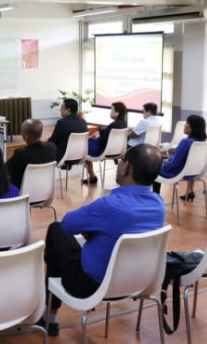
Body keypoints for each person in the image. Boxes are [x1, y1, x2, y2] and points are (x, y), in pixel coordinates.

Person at [41, 144, 165, 337]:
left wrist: (90, 230)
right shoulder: (159, 204)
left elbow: (68, 224)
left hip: (91, 285)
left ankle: (50, 315)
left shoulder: (110, 205)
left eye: (121, 161)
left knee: (56, 229)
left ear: (126, 168)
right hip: (137, 281)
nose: (119, 164)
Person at [152, 115, 207, 198]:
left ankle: (155, 197)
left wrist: (163, 165)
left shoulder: (186, 142)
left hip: (177, 172)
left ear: (192, 127)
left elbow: (175, 164)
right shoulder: (203, 142)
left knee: (153, 169)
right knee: (161, 161)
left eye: (186, 123)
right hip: (193, 172)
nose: (184, 125)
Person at [83, 101, 128, 184]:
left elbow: (104, 139)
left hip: (102, 150)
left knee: (82, 146)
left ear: (117, 112)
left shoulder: (113, 125)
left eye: (111, 110)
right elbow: (108, 132)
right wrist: (100, 133)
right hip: (116, 151)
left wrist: (96, 137)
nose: (110, 112)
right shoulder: (123, 124)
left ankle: (92, 176)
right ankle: (92, 177)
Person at [6, 119, 57, 188]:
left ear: (25, 136)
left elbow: (6, 169)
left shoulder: (20, 153)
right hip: (46, 189)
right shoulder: (52, 148)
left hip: (23, 190)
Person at [48, 98, 88, 162]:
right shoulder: (83, 122)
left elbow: (52, 141)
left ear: (68, 110)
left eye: (62, 107)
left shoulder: (62, 122)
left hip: (63, 157)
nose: (60, 109)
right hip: (79, 156)